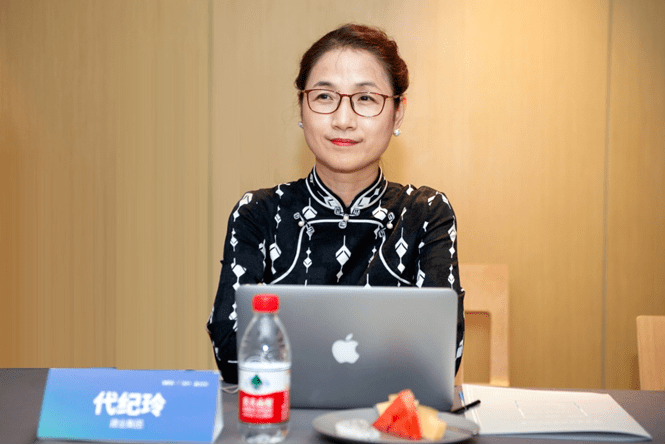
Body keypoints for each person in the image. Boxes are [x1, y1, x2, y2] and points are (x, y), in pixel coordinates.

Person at [207, 24, 464, 384]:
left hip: (386, 419)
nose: (343, 121)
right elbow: (231, 352)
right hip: (282, 416)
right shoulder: (258, 214)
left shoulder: (425, 213)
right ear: (302, 107)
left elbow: (441, 355)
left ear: (397, 113)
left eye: (366, 98)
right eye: (325, 96)